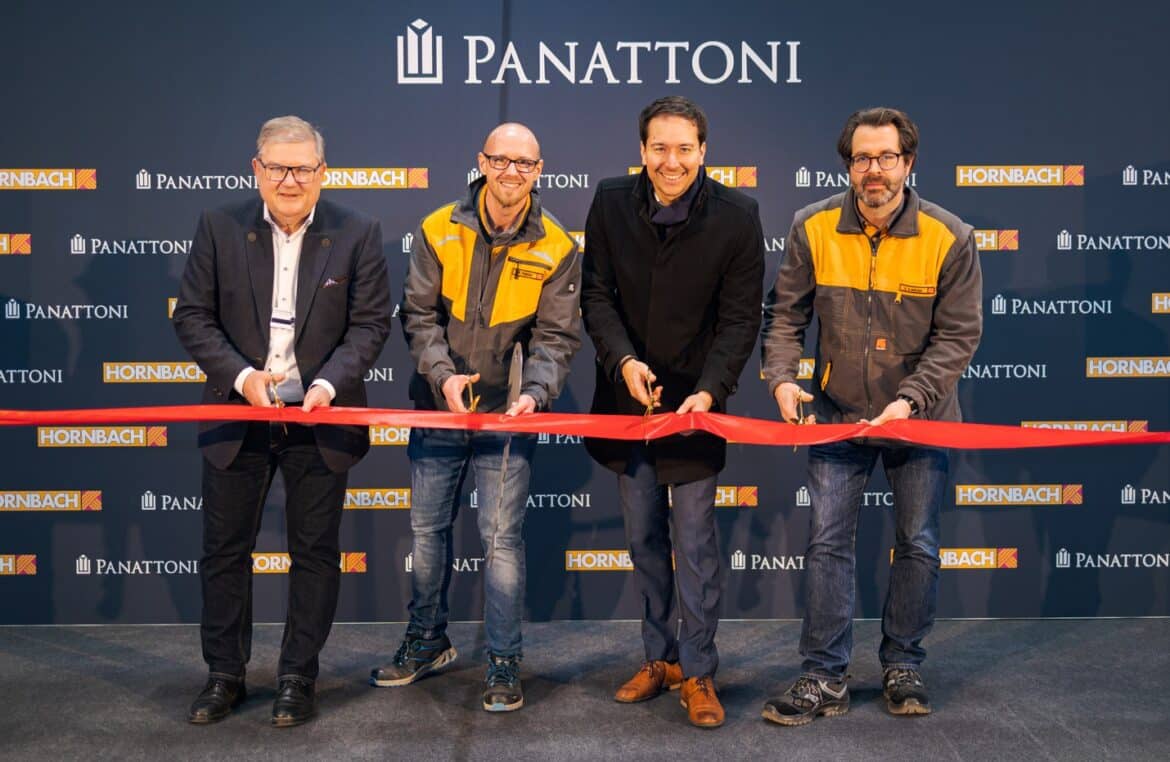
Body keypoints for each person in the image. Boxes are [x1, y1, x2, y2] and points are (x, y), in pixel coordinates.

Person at [760, 107, 983, 724]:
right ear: (848, 165)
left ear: (908, 163)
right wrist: (782, 379)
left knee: (918, 543)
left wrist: (909, 400)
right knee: (827, 541)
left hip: (919, 417)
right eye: (862, 158)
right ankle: (823, 675)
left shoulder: (950, 236)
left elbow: (958, 338)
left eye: (886, 157)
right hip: (837, 415)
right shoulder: (812, 226)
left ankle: (903, 664)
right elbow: (784, 316)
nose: (874, 170)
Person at [173, 115, 392, 726]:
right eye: (277, 168)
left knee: (315, 552)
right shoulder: (218, 226)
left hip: (319, 418)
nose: (289, 180)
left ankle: (299, 676)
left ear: (322, 172)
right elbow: (193, 316)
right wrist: (243, 378)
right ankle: (224, 675)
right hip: (237, 414)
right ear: (257, 169)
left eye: (302, 168)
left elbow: (370, 324)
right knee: (225, 551)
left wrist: (327, 385)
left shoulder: (359, 231)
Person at [370, 123, 581, 713]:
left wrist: (533, 395)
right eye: (501, 160)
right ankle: (427, 641)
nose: (512, 171)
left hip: (509, 418)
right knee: (426, 531)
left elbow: (557, 339)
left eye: (524, 163)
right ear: (482, 162)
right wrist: (443, 378)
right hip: (438, 407)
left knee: (500, 540)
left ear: (539, 171)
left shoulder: (559, 246)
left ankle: (504, 659)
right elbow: (418, 315)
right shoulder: (439, 228)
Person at [581, 96, 764, 728]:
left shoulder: (738, 215)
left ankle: (700, 670)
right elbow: (596, 297)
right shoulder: (610, 201)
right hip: (629, 403)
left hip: (695, 408)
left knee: (695, 543)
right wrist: (623, 363)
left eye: (685, 148)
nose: (672, 161)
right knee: (643, 541)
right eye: (659, 148)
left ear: (703, 151)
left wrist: (709, 393)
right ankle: (659, 659)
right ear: (642, 151)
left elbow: (740, 320)